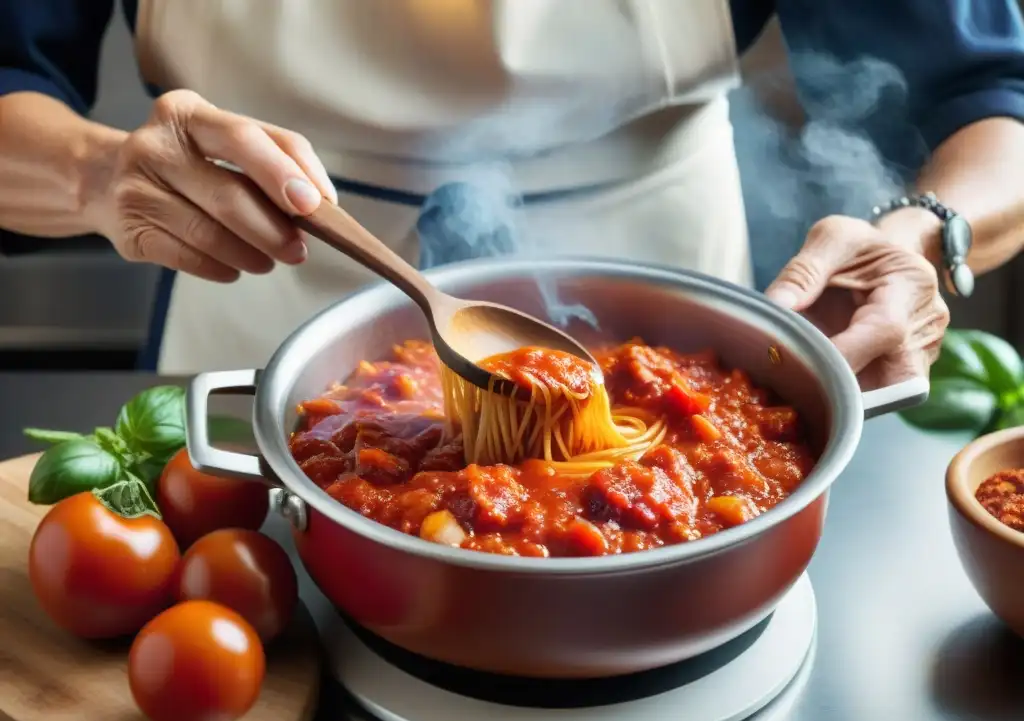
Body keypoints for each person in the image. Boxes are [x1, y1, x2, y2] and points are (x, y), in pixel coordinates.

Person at [1, 2, 1023, 385]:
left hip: (665, 296)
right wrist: (98, 174)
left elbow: (993, 98)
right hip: (253, 282)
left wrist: (931, 234)